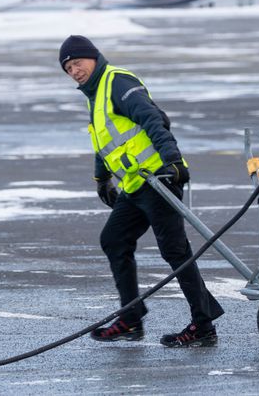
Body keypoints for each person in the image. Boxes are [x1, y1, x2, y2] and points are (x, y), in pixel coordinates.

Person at [59, 35, 224, 347]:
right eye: (68, 68)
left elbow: (153, 119)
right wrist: (101, 178)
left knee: (175, 250)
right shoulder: (95, 96)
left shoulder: (117, 82)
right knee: (113, 239)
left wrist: (173, 162)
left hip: (160, 178)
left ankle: (203, 324)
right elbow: (105, 143)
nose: (74, 71)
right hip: (136, 186)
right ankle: (131, 319)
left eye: (77, 63)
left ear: (93, 58)